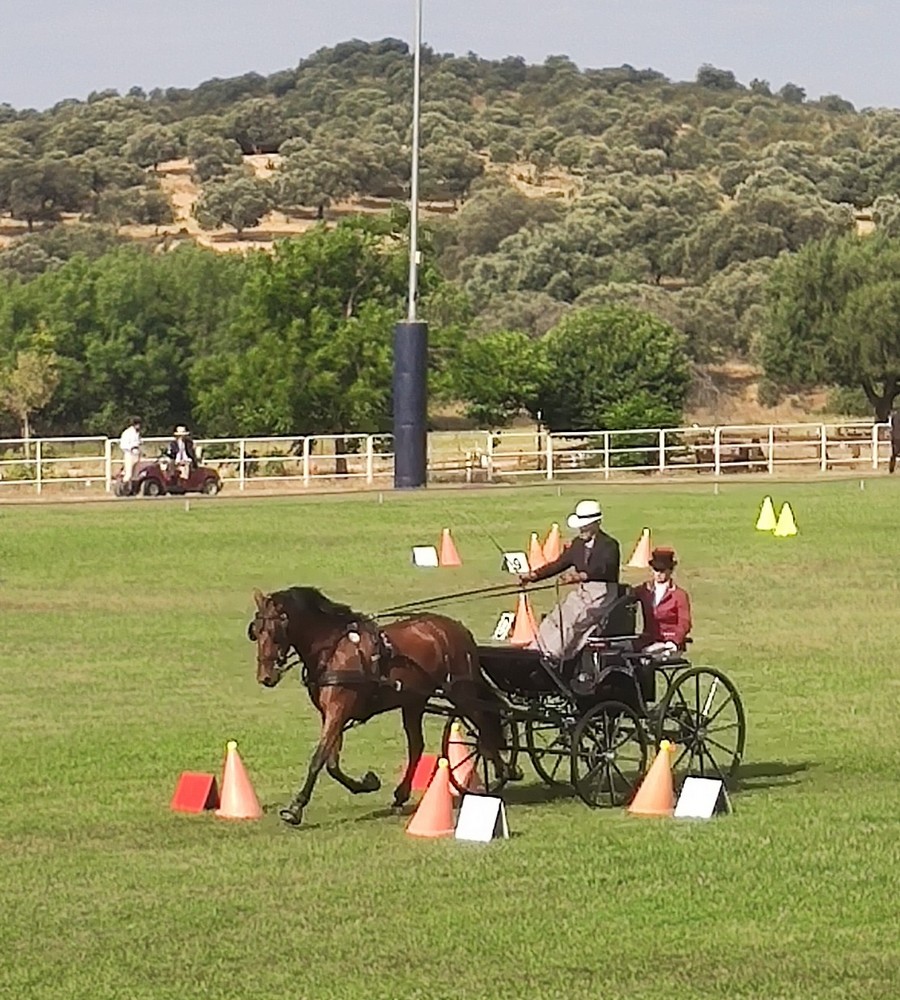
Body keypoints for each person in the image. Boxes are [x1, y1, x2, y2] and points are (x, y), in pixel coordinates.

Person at [519, 499, 620, 662]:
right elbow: (560, 563)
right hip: (583, 593)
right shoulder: (577, 544)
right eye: (581, 525)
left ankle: (554, 655)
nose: (582, 529)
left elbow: (604, 567)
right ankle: (535, 651)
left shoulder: (610, 545)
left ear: (596, 523)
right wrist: (534, 576)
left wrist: (581, 576)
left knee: (574, 620)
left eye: (585, 525)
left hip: (603, 595)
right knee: (555, 617)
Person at [633, 547, 692, 653]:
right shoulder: (645, 589)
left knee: (646, 654)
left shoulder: (679, 595)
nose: (658, 574)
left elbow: (684, 622)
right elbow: (628, 595)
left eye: (662, 570)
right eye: (656, 570)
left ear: (670, 570)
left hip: (669, 642)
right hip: (649, 639)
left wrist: (674, 640)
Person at [119, 416, 142, 487]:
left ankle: (133, 488)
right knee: (128, 473)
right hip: (129, 454)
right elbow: (123, 445)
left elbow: (139, 442)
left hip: (136, 454)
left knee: (135, 474)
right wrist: (131, 448)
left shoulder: (136, 433)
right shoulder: (127, 433)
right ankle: (123, 487)